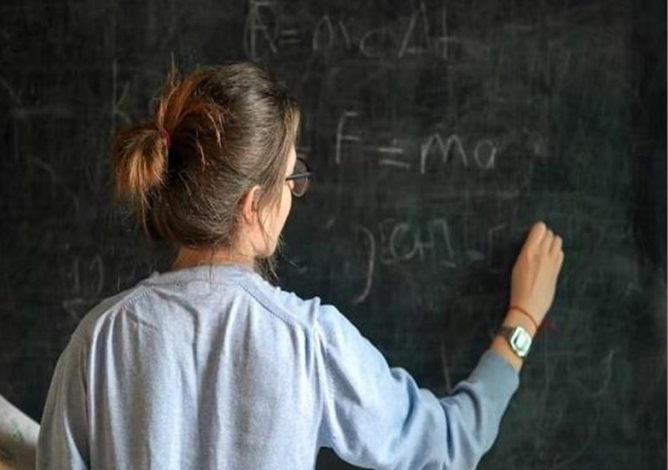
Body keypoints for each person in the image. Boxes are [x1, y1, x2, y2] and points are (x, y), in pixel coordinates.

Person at [37, 62, 565, 469]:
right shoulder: (309, 343)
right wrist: (522, 321)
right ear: (252, 205)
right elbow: (448, 444)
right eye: (292, 179)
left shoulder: (97, 341)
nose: (294, 195)